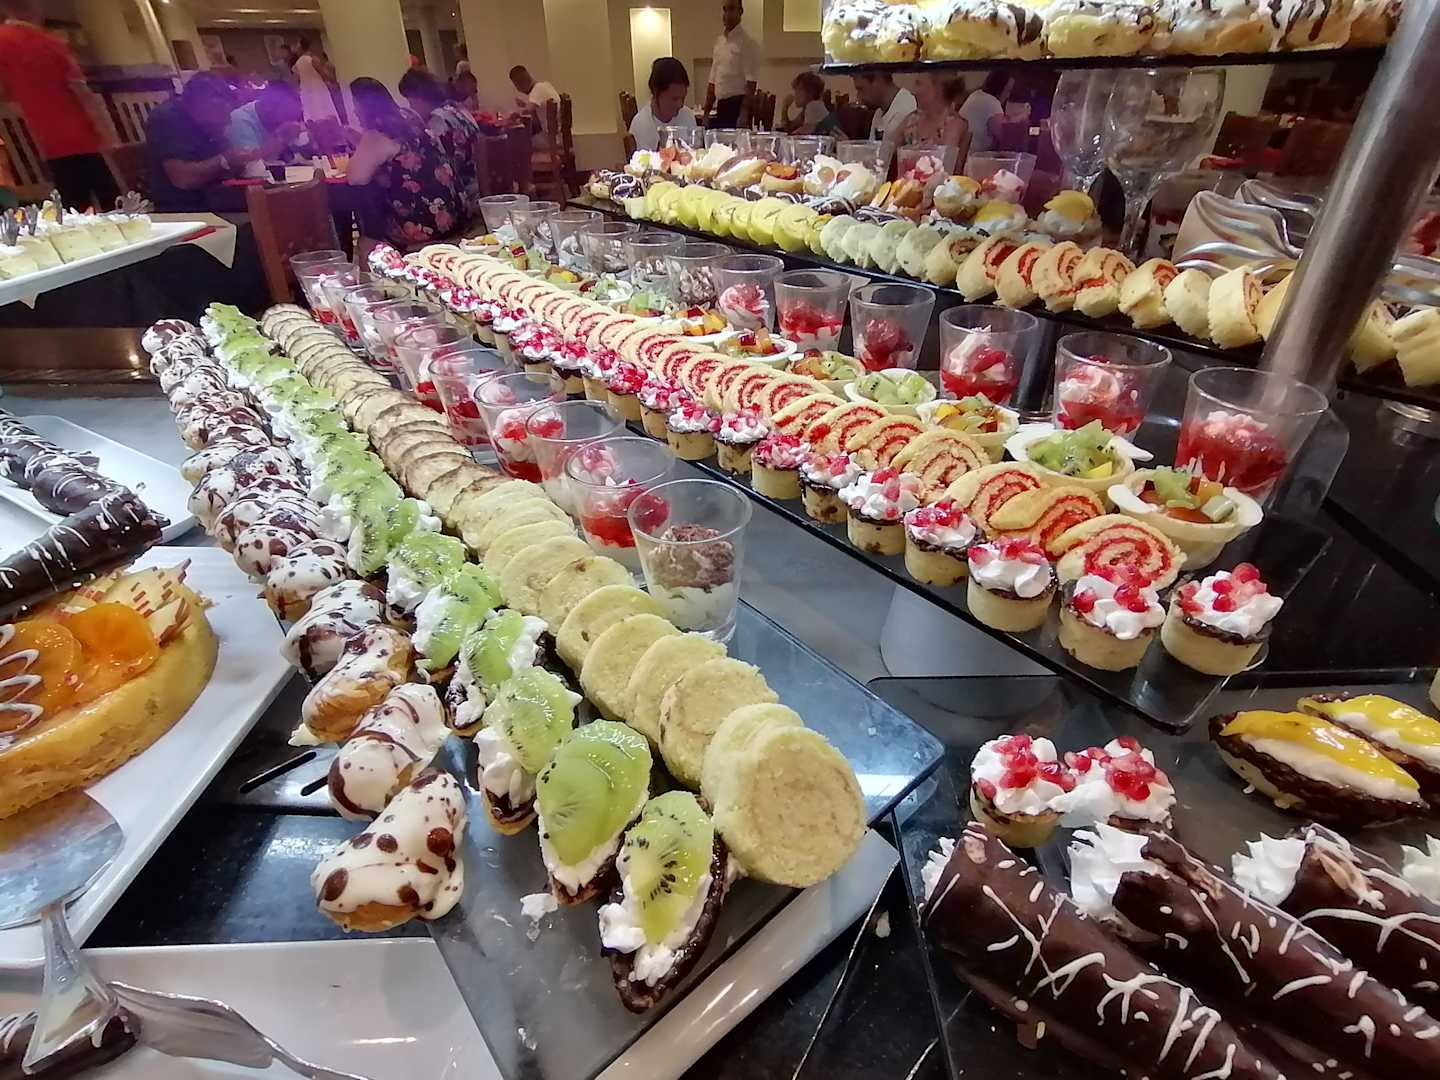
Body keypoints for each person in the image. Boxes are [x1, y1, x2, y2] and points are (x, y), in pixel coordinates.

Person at [0, 0, 120, 211]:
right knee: (110, 200)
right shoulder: (50, 43)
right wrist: (108, 133)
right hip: (79, 135)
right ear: (34, 6)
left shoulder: (3, 41)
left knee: (74, 205)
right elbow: (81, 91)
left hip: (37, 140)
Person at [345, 77, 462, 250]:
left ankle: (368, 249)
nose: (354, 111)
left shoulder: (377, 135)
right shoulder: (410, 119)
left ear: (364, 107)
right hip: (456, 212)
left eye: (355, 105)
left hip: (425, 225)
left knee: (367, 196)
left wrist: (360, 144)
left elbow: (355, 177)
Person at [145, 73, 256, 211]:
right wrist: (224, 161)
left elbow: (227, 162)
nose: (226, 120)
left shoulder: (210, 120)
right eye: (222, 111)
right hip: (187, 210)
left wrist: (241, 160)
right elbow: (183, 179)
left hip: (219, 200)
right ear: (203, 103)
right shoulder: (166, 119)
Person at [399, 67, 480, 221]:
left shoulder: (437, 121)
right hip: (477, 185)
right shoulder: (458, 109)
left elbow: (437, 163)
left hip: (463, 195)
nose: (411, 107)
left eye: (410, 101)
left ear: (419, 97)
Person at [226, 81, 307, 168]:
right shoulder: (240, 121)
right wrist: (281, 138)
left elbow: (294, 157)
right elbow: (251, 164)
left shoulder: (278, 117)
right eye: (287, 115)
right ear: (269, 106)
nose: (290, 121)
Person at [704, 0, 758, 129]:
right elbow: (713, 80)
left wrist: (744, 114)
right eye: (725, 9)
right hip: (721, 106)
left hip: (737, 106)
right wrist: (706, 113)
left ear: (741, 11)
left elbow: (751, 82)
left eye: (732, 9)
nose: (727, 14)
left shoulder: (747, 43)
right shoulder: (719, 42)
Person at [629, 57, 697, 154]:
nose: (680, 105)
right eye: (674, 99)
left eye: (683, 98)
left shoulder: (687, 116)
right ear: (656, 93)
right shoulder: (641, 124)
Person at [896, 72, 969, 153]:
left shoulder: (954, 124)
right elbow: (889, 148)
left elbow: (945, 159)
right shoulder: (913, 119)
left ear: (938, 88)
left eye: (919, 84)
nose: (913, 92)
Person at [959, 70, 1012, 153]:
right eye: (1008, 90)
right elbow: (1005, 136)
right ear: (1000, 87)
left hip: (964, 152)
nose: (1008, 95)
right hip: (974, 155)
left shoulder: (976, 94)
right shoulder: (992, 102)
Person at [853, 72, 916, 142]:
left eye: (861, 89)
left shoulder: (907, 110)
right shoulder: (879, 112)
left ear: (877, 81)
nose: (859, 97)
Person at [293, 37, 339, 126]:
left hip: (306, 90)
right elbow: (323, 73)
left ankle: (315, 128)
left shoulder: (297, 64)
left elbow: (297, 80)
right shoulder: (313, 59)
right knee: (324, 108)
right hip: (317, 87)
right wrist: (333, 81)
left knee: (311, 112)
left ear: (300, 48)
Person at [780, 72, 835, 136]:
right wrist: (785, 108)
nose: (796, 93)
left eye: (799, 89)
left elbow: (803, 133)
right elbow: (789, 127)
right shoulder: (808, 108)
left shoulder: (814, 106)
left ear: (810, 92)